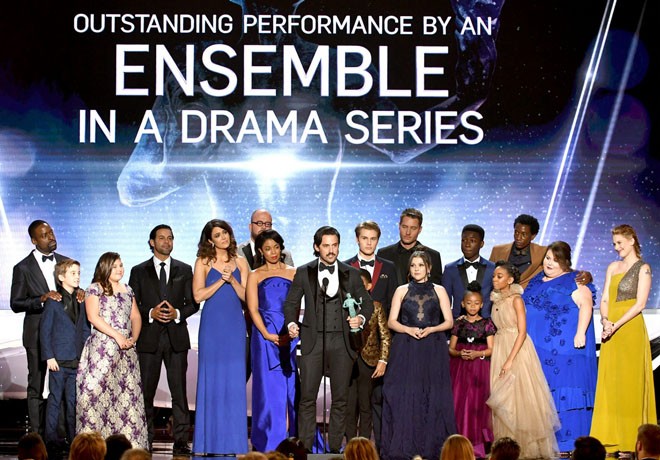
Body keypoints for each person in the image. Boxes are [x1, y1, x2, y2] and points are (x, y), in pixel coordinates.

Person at [284, 226, 373, 453]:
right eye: (326, 246)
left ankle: (334, 450)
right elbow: (292, 303)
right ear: (317, 247)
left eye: (335, 245)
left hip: (342, 343)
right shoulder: (304, 272)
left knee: (341, 399)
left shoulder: (351, 273)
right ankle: (304, 450)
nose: (331, 250)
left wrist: (360, 318)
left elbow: (367, 303)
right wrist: (292, 323)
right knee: (307, 398)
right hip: (313, 341)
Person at [128, 224, 199, 454]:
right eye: (161, 238)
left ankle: (181, 441)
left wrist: (177, 313)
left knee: (179, 393)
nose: (167, 242)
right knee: (146, 393)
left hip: (176, 339)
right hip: (149, 340)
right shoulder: (138, 271)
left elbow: (193, 303)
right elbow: (132, 304)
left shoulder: (184, 269)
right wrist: (151, 312)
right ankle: (145, 439)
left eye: (170, 238)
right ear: (152, 242)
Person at [381, 251, 456, 460]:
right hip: (406, 347)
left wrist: (432, 329)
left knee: (432, 394)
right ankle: (406, 446)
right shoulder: (401, 290)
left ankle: (431, 447)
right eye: (413, 265)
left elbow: (449, 321)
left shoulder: (439, 290)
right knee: (406, 394)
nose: (416, 269)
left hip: (433, 347)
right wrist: (408, 329)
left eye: (421, 265)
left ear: (429, 268)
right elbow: (391, 321)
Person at [523, 241, 597, 451]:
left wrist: (580, 332)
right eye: (547, 258)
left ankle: (566, 443)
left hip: (564, 352)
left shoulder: (575, 280)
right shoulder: (536, 280)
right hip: (537, 350)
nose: (549, 263)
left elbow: (586, 304)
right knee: (541, 392)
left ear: (565, 262)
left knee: (565, 391)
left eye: (555, 260)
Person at [590, 225, 656, 452]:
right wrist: (605, 320)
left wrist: (616, 325)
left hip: (630, 330)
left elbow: (640, 304)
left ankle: (632, 440)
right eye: (614, 244)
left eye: (619, 243)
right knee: (611, 383)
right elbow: (605, 298)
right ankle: (610, 438)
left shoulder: (643, 268)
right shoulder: (613, 267)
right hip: (611, 330)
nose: (616, 247)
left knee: (630, 383)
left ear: (631, 240)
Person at [486, 261, 559, 458]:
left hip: (517, 349)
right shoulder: (496, 300)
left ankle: (525, 448)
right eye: (494, 276)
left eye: (499, 276)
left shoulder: (516, 299)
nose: (495, 279)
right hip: (501, 347)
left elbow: (522, 331)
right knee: (504, 399)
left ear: (510, 280)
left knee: (520, 396)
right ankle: (506, 448)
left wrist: (510, 359)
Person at [10, 220, 77, 434]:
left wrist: (80, 293)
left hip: (63, 337)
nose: (51, 237)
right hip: (37, 333)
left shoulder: (66, 262)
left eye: (52, 232)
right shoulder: (22, 268)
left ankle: (62, 435)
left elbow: (72, 291)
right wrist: (41, 299)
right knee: (36, 385)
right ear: (34, 240)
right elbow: (16, 303)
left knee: (64, 386)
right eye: (45, 235)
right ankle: (37, 436)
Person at [76, 252, 148, 448]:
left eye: (121, 265)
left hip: (126, 352)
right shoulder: (94, 289)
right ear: (105, 267)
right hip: (102, 350)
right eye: (115, 266)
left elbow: (135, 316)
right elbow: (93, 317)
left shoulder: (128, 289)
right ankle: (93, 447)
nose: (119, 269)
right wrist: (117, 336)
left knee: (125, 398)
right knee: (94, 396)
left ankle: (128, 448)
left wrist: (133, 338)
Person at [192, 219, 250, 455]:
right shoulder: (203, 262)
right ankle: (209, 442)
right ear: (210, 240)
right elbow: (198, 296)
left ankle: (234, 442)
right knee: (212, 379)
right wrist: (220, 281)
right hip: (212, 327)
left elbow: (247, 297)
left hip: (235, 326)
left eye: (225, 233)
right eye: (217, 235)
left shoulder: (241, 262)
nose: (223, 237)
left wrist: (232, 280)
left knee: (234, 380)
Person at [344, 220, 397, 448]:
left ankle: (371, 448)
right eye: (364, 238)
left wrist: (385, 355)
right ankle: (348, 448)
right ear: (357, 239)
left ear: (378, 240)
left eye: (373, 238)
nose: (368, 243)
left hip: (375, 347)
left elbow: (394, 304)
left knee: (372, 402)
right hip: (349, 348)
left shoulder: (389, 268)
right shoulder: (344, 266)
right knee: (349, 404)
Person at [246, 229, 298, 452]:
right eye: (268, 248)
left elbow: (298, 304)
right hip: (263, 337)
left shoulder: (294, 272)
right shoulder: (255, 275)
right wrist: (266, 334)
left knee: (291, 389)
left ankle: (293, 439)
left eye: (276, 247)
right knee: (268, 390)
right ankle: (268, 441)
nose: (273, 252)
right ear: (260, 251)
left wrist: (292, 329)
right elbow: (252, 309)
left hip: (289, 335)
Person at [40, 259, 90, 453]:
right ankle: (50, 440)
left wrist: (85, 354)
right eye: (73, 273)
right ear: (61, 277)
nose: (77, 277)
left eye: (78, 273)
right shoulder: (53, 301)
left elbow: (84, 329)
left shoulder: (81, 300)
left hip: (75, 360)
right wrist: (49, 356)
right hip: (58, 361)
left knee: (73, 402)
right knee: (54, 400)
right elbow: (45, 331)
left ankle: (73, 439)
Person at [448, 281, 496, 458]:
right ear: (462, 304)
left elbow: (491, 349)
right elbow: (451, 349)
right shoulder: (459, 324)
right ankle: (459, 443)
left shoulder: (487, 324)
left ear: (482, 305)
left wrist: (477, 354)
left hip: (480, 368)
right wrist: (459, 353)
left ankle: (478, 445)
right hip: (460, 369)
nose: (473, 306)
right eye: (469, 303)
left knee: (478, 403)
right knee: (459, 402)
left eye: (476, 303)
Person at [345, 269, 392, 447]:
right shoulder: (344, 306)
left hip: (369, 361)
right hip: (348, 360)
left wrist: (383, 360)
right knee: (350, 407)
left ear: (369, 286)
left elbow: (385, 336)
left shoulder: (376, 306)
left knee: (365, 406)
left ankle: (363, 447)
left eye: (360, 284)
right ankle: (350, 447)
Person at [377, 208, 443, 285]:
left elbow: (436, 288)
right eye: (404, 227)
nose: (408, 232)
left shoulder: (433, 256)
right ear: (399, 226)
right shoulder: (384, 254)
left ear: (420, 229)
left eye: (413, 228)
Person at [442, 224, 496, 318]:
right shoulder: (450, 269)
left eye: (472, 241)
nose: (467, 245)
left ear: (481, 244)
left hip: (486, 323)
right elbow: (445, 302)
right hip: (458, 323)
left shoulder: (492, 268)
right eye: (464, 240)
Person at [488, 215, 546, 288]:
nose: (518, 237)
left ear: (533, 236)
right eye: (516, 232)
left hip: (525, 293)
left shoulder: (542, 252)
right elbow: (488, 277)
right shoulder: (498, 251)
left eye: (523, 234)